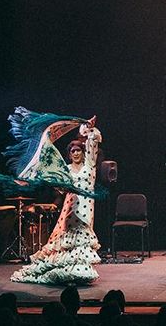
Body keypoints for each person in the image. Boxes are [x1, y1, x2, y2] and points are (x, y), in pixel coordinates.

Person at [11, 117, 103, 284]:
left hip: (85, 211)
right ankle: (69, 273)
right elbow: (58, 186)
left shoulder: (89, 166)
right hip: (70, 211)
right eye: (73, 151)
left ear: (83, 152)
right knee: (67, 242)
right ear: (69, 154)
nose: (76, 153)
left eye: (79, 150)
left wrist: (87, 129)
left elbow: (93, 142)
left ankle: (78, 272)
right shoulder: (65, 170)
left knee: (82, 241)